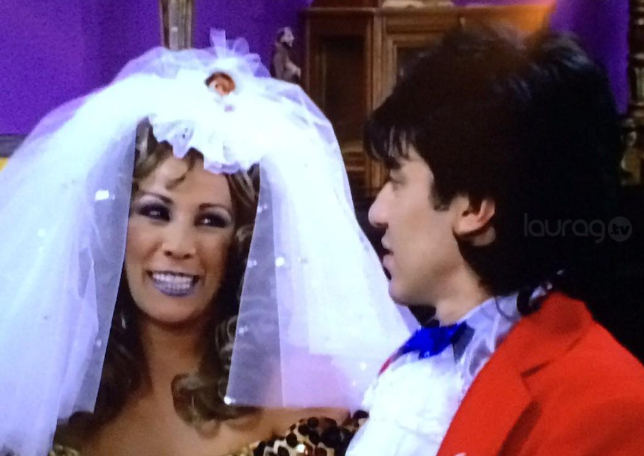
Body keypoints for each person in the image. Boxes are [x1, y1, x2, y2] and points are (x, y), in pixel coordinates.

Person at [0, 31, 415, 456]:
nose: (179, 245)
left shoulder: (307, 394)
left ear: (244, 243)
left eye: (211, 221)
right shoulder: (45, 395)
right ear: (112, 227)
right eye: (155, 212)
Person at [346, 25, 644, 455]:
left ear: (473, 208)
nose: (376, 213)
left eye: (397, 180)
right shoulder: (416, 362)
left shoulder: (606, 405)